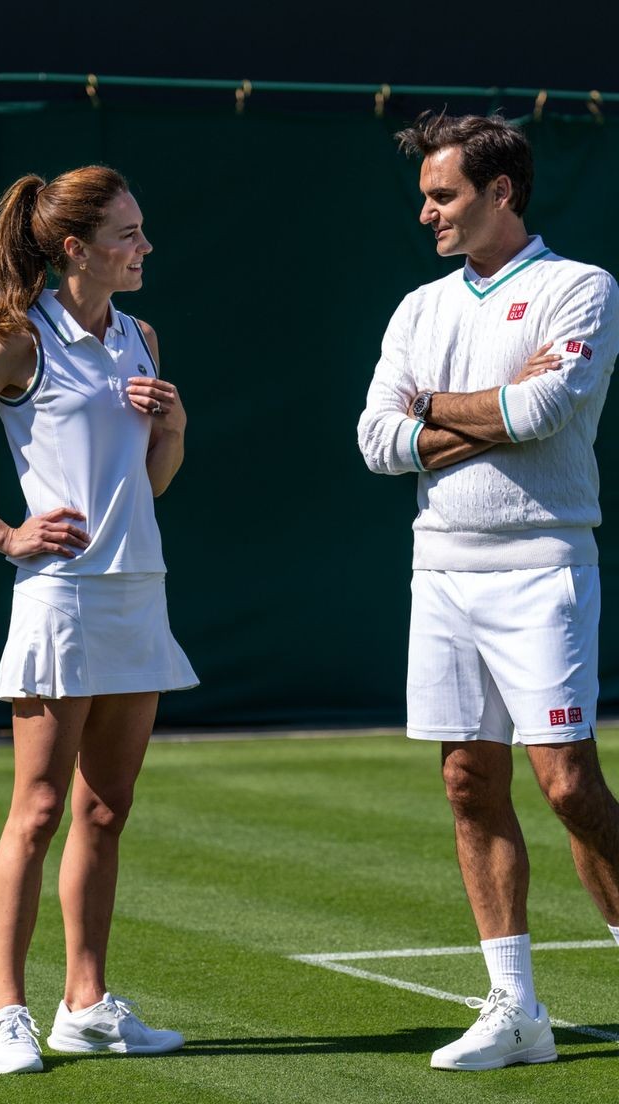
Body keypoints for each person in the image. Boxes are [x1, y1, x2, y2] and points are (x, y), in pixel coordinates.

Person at [0, 165, 198, 1074]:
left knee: (106, 810)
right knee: (36, 812)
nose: (144, 247)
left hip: (138, 589)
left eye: (142, 232)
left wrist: (175, 429)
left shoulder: (141, 337)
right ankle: (5, 1012)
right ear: (76, 249)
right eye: (128, 234)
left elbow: (142, 489)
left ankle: (88, 1003)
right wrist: (5, 534)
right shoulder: (17, 341)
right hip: (62, 599)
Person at [357, 113, 619, 1072]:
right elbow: (375, 443)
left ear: (500, 192)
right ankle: (518, 1009)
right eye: (427, 195)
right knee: (470, 782)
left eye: (444, 195)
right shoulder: (418, 309)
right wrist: (483, 417)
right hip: (441, 570)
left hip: (543, 566)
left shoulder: (580, 288)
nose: (427, 211)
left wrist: (430, 406)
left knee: (567, 784)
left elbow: (544, 410)